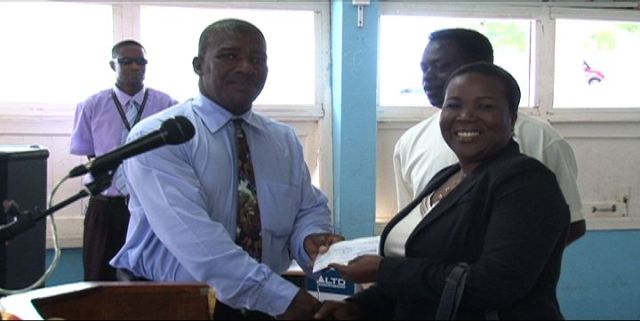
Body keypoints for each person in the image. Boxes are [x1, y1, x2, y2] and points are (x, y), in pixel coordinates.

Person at [110, 19, 342, 320]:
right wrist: (285, 299)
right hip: (175, 302)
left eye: (257, 59)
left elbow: (307, 208)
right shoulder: (159, 136)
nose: (246, 67)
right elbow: (197, 241)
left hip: (264, 302)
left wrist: (310, 238)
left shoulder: (282, 139)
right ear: (198, 65)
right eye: (230, 56)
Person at [315, 62, 571, 320]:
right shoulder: (446, 178)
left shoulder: (526, 183)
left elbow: (496, 283)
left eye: (485, 106)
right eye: (454, 105)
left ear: (512, 118)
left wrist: (385, 271)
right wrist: (360, 306)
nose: (466, 116)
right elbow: (419, 272)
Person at [393, 29, 586, 245]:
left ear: (481, 68)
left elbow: (572, 224)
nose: (428, 77)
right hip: (427, 277)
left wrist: (520, 261)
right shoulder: (410, 142)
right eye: (425, 68)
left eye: (440, 67)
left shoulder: (542, 139)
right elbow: (412, 228)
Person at [70, 40, 177, 281]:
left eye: (141, 61)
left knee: (149, 276)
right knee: (98, 276)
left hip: (150, 205)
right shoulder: (91, 105)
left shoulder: (166, 105)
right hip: (106, 205)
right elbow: (89, 154)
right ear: (112, 64)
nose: (134, 66)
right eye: (126, 61)